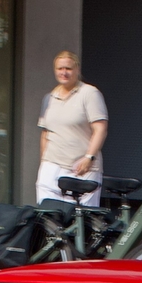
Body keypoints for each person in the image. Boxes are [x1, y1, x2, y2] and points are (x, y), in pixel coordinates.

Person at [36, 50, 108, 206]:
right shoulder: (49, 98)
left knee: (83, 220)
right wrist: (44, 162)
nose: (64, 72)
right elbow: (45, 133)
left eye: (68, 68)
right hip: (52, 165)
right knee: (49, 217)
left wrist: (89, 157)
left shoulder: (89, 93)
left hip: (81, 167)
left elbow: (100, 129)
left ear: (77, 69)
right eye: (60, 69)